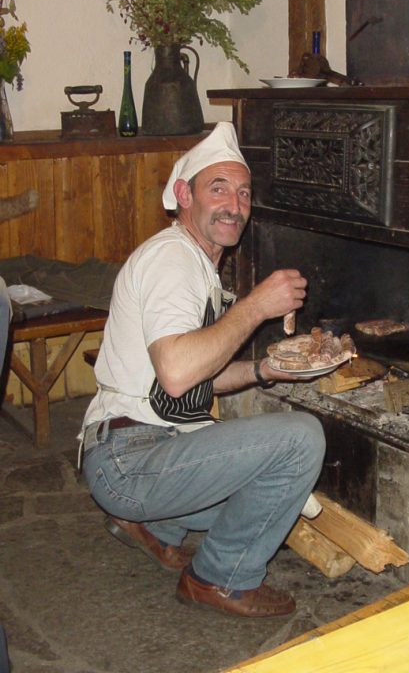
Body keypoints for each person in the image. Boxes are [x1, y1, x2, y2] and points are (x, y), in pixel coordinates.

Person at [79, 122, 326, 618]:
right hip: (131, 458)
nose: (234, 205)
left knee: (274, 501)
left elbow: (193, 380)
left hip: (142, 448)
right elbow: (177, 372)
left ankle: (156, 525)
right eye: (218, 189)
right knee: (302, 440)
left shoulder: (195, 265)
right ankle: (220, 579)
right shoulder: (172, 260)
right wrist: (256, 306)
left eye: (243, 192)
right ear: (182, 195)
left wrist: (264, 370)